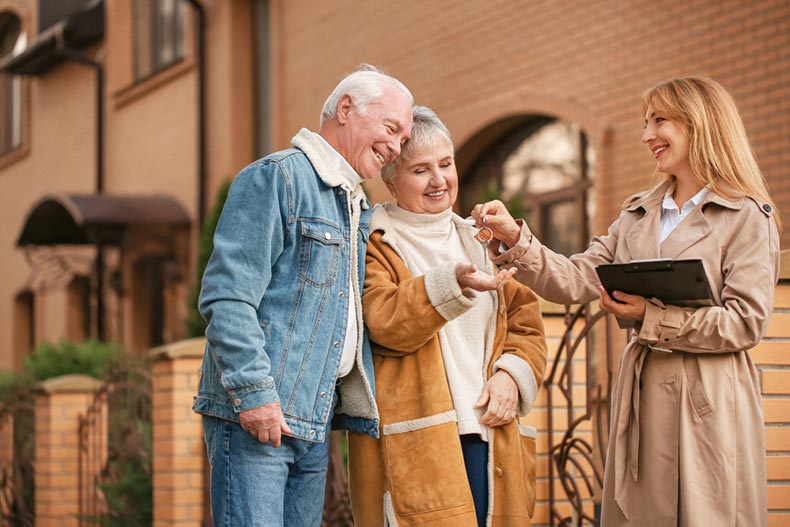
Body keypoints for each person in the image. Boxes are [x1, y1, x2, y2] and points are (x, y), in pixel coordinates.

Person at [472, 76, 781, 527]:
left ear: (699, 122)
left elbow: (746, 323)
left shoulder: (746, 215)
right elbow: (577, 279)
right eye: (644, 123)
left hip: (709, 400)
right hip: (643, 398)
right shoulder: (637, 214)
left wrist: (652, 318)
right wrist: (517, 239)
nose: (646, 136)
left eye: (659, 120)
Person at [193, 64, 413, 527]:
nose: (396, 147)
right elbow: (227, 297)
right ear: (347, 109)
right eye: (391, 129)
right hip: (260, 416)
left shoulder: (352, 202)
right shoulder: (277, 178)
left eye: (403, 139)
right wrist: (255, 395)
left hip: (313, 417)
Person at [348, 106, 548, 527]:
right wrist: (448, 283)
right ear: (389, 177)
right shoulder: (373, 241)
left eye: (446, 163)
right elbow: (384, 321)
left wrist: (512, 375)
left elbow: (526, 322)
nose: (439, 180)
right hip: (418, 443)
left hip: (490, 431)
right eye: (420, 170)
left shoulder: (481, 241)